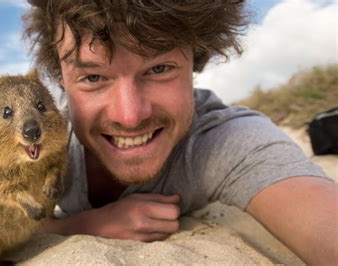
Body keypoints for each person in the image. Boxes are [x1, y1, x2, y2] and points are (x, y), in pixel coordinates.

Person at [23, 1, 337, 264]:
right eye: (93, 77)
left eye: (159, 69)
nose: (130, 117)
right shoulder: (38, 145)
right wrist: (85, 224)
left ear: (194, 61)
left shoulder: (225, 140)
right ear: (61, 80)